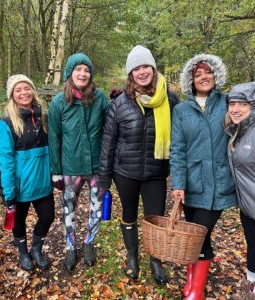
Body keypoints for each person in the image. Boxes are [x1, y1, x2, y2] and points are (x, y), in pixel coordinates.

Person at [98, 45, 179, 284]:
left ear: (153, 69)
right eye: (136, 68)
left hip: (156, 172)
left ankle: (155, 259)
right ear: (130, 74)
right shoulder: (119, 103)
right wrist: (104, 179)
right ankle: (132, 257)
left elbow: (181, 140)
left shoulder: (171, 100)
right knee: (129, 214)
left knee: (155, 218)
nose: (142, 72)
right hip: (126, 172)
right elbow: (108, 143)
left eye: (146, 66)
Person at [170, 54, 237, 299]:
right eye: (197, 74)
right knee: (194, 237)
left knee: (201, 234)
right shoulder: (181, 110)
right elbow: (177, 148)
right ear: (190, 80)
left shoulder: (228, 102)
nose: (203, 77)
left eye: (207, 72)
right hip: (192, 183)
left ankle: (195, 290)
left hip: (219, 182)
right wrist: (178, 183)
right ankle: (191, 283)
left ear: (215, 75)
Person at [48, 53, 109, 271]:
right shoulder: (58, 102)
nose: (83, 74)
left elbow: (113, 125)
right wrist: (55, 170)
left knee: (96, 208)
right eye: (78, 69)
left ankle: (89, 243)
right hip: (70, 167)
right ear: (70, 73)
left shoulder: (100, 98)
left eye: (86, 70)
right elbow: (53, 138)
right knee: (68, 209)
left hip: (96, 167)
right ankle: (70, 247)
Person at [0, 74, 54, 271]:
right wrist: (8, 192)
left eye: (27, 88)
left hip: (42, 183)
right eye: (18, 90)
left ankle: (37, 249)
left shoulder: (44, 118)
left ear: (33, 91)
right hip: (20, 186)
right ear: (12, 95)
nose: (23, 93)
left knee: (47, 217)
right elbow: (4, 161)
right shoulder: (5, 124)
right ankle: (23, 252)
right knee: (19, 221)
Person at [224, 82, 255, 298]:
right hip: (247, 207)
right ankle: (251, 287)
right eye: (232, 103)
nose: (235, 108)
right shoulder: (237, 130)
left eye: (242, 104)